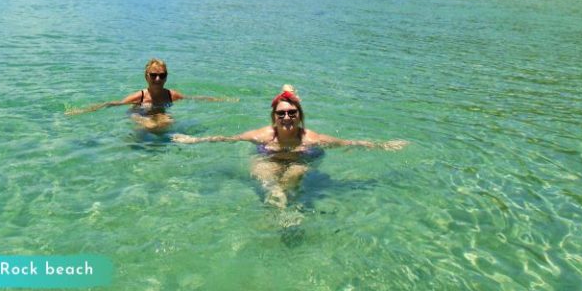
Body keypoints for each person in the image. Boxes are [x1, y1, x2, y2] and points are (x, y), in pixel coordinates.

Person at [172, 85, 408, 207]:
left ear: (299, 115)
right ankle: (277, 202)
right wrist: (194, 140)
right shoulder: (263, 135)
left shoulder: (311, 139)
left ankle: (288, 208)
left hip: (300, 158)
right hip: (269, 157)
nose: (286, 117)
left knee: (294, 176)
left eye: (291, 112)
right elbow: (228, 138)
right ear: (274, 117)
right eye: (281, 113)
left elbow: (348, 142)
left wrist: (383, 146)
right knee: (267, 179)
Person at [65, 58, 233, 132]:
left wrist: (223, 100)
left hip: (159, 113)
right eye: (153, 75)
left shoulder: (171, 95)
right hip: (139, 113)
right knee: (151, 126)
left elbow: (194, 98)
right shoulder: (140, 96)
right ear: (146, 76)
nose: (157, 79)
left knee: (167, 122)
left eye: (162, 75)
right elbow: (111, 104)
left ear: (167, 76)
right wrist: (82, 111)